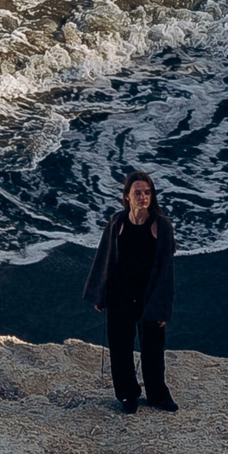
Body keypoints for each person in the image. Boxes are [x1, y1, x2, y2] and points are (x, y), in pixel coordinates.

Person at [83, 169, 176, 413]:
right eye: (138, 193)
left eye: (147, 192)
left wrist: (163, 308)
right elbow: (104, 259)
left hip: (149, 296)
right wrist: (100, 294)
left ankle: (157, 394)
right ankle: (127, 395)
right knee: (120, 347)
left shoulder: (161, 225)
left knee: (153, 349)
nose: (143, 197)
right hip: (120, 294)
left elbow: (166, 270)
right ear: (127, 196)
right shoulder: (117, 222)